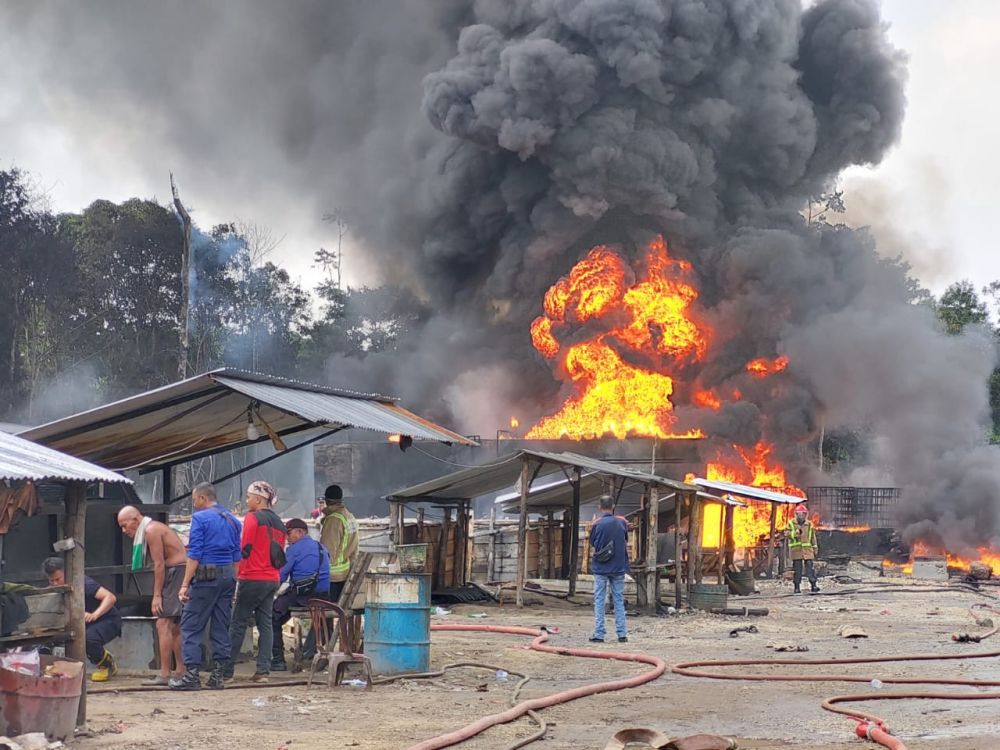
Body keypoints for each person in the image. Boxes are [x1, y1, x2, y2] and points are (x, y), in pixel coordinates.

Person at [170, 482, 242, 691]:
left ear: (202, 498)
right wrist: (234, 582)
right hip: (228, 576)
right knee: (221, 624)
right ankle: (218, 676)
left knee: (191, 625)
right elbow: (237, 556)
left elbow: (194, 554)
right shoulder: (232, 520)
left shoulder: (200, 518)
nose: (194, 504)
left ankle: (192, 676)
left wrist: (184, 585)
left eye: (194, 500)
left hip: (205, 578)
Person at [117, 505, 188, 686]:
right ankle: (180, 670)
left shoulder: (151, 530)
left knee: (162, 623)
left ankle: (165, 674)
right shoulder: (152, 528)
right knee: (174, 626)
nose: (124, 531)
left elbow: (159, 565)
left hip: (176, 572)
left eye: (125, 525)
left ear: (135, 519)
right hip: (178, 571)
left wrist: (157, 595)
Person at [225, 480, 286, 683]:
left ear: (259, 499)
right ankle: (263, 672)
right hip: (272, 578)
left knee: (238, 623)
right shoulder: (279, 522)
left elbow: (245, 547)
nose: (247, 500)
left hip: (252, 577)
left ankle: (226, 672)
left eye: (249, 497)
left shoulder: (253, 518)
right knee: (265, 624)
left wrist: (236, 574)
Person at [43, 557, 122, 682]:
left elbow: (110, 597)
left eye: (58, 579)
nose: (55, 584)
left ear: (66, 573)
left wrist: (94, 614)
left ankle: (107, 665)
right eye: (52, 581)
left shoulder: (84, 583)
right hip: (83, 624)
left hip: (108, 620)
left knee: (88, 638)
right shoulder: (54, 590)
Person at [270, 518, 330, 672]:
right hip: (323, 598)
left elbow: (281, 576)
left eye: (289, 533)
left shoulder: (294, 550)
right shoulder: (322, 548)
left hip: (303, 597)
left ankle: (278, 660)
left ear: (300, 532)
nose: (287, 538)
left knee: (272, 617)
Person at [588, 495, 629, 643]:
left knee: (599, 600)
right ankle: (622, 634)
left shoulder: (597, 524)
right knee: (618, 599)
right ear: (613, 506)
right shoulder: (622, 522)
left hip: (601, 567)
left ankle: (599, 634)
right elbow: (625, 539)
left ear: (599, 507)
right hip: (618, 566)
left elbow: (593, 542)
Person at [319, 484, 358, 602]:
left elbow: (327, 551)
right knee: (336, 611)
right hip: (345, 571)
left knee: (323, 613)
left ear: (326, 500)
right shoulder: (349, 516)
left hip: (332, 576)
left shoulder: (333, 520)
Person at [787, 503, 820, 594]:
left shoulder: (809, 524)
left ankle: (813, 585)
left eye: (803, 514)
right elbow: (787, 534)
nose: (801, 516)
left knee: (810, 568)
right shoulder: (791, 524)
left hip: (808, 550)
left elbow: (812, 537)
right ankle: (797, 587)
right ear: (796, 514)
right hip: (796, 551)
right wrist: (795, 533)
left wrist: (815, 547)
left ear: (806, 515)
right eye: (799, 514)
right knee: (797, 570)